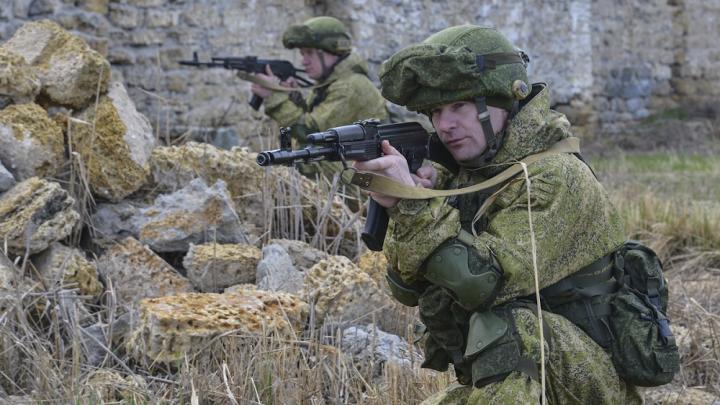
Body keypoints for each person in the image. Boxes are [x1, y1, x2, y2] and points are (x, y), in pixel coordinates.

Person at [354, 25, 646, 404]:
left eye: (459, 106)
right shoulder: (467, 176)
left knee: (513, 325)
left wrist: (414, 206)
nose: (444, 125)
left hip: (582, 381)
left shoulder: (556, 177)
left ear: (507, 100)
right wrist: (407, 203)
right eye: (436, 111)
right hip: (516, 384)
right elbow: (407, 290)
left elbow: (483, 284)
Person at [251, 16, 388, 198]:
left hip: (366, 188)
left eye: (310, 53)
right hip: (355, 177)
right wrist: (293, 97)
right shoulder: (331, 83)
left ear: (333, 51)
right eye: (302, 54)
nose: (304, 61)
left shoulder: (349, 86)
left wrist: (275, 98)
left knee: (317, 159)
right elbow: (314, 118)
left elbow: (310, 132)